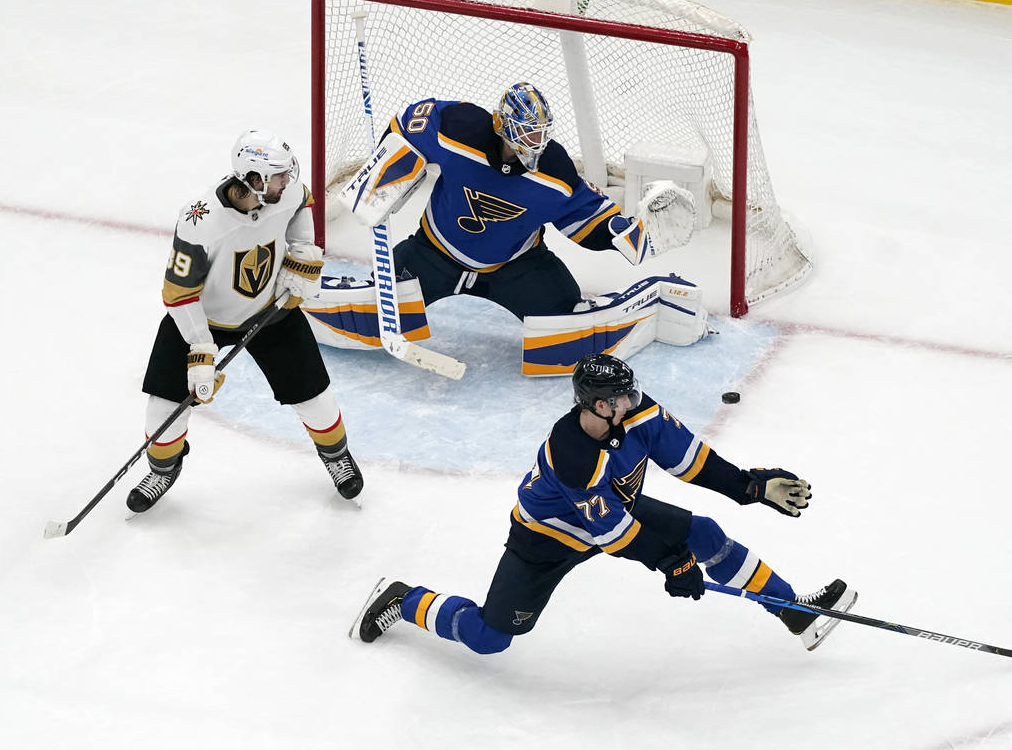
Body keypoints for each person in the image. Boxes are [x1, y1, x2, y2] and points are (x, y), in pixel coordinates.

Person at [355, 353, 856, 654]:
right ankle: (406, 599)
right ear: (598, 405)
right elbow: (613, 535)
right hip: (546, 539)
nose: (634, 400)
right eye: (622, 397)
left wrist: (747, 486)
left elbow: (691, 461)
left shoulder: (637, 415)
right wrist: (669, 562)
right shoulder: (573, 454)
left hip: (613, 515)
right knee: (492, 638)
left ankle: (793, 611)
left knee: (703, 534)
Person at [338, 83, 708, 373]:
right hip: (433, 253)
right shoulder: (458, 128)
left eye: (540, 133)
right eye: (526, 133)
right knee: (374, 309)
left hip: (516, 268)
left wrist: (629, 235)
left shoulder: (555, 171)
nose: (536, 143)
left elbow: (588, 219)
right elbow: (409, 124)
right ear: (502, 125)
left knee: (566, 320)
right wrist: (384, 172)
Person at [128, 130, 364, 513]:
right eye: (278, 176)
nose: (287, 181)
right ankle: (163, 468)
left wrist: (302, 253)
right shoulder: (199, 221)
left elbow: (303, 200)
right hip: (200, 321)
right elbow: (178, 294)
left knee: (316, 398)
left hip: (271, 312)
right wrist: (201, 351)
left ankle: (336, 456)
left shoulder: (284, 192)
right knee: (162, 407)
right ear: (253, 181)